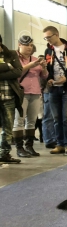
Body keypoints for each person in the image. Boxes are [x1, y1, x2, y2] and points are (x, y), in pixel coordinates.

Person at [43, 25, 67, 155]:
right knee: (56, 118)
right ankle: (59, 143)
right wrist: (49, 78)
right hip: (53, 89)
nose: (47, 40)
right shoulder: (48, 51)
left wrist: (66, 79)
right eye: (45, 38)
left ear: (57, 34)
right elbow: (48, 70)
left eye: (49, 37)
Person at [13, 36, 48, 157]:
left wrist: (43, 67)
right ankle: (19, 148)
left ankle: (29, 146)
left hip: (36, 92)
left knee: (32, 121)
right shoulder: (14, 58)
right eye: (26, 45)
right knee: (19, 121)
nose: (29, 47)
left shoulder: (35, 59)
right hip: (21, 93)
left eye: (31, 45)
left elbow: (44, 76)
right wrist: (30, 66)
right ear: (19, 45)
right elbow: (15, 72)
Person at [0, 34, 24, 164]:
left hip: (9, 96)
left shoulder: (12, 54)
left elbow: (18, 71)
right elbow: (13, 70)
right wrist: (8, 66)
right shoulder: (10, 60)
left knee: (8, 128)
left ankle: (4, 154)